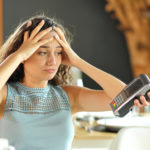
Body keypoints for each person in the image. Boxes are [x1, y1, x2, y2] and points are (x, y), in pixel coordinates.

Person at [0, 14, 149, 150]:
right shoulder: (6, 95)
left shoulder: (68, 96)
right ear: (25, 54)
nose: (52, 61)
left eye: (58, 52)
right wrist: (18, 55)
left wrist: (78, 61)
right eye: (43, 52)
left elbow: (125, 96)